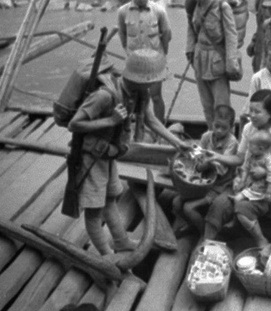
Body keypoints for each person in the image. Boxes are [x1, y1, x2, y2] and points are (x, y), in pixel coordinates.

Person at [67, 49, 188, 256]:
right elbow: (74, 124)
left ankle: (121, 241)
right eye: (153, 80)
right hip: (91, 158)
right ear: (143, 80)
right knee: (95, 211)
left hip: (109, 154)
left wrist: (178, 143)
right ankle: (107, 255)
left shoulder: (140, 93)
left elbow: (151, 120)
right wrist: (110, 121)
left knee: (111, 198)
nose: (154, 84)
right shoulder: (104, 96)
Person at [204, 90, 271, 241]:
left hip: (267, 190)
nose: (251, 114)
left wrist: (265, 172)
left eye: (257, 111)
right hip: (244, 183)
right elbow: (240, 158)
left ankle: (246, 239)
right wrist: (218, 156)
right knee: (218, 206)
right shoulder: (248, 128)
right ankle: (206, 244)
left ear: (270, 113)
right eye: (250, 110)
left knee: (241, 208)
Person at [184, 0, 240, 125]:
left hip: (217, 61)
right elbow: (191, 28)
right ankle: (211, 135)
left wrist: (231, 63)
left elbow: (231, 37)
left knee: (221, 106)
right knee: (207, 105)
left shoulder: (222, 6)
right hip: (200, 60)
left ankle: (226, 140)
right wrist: (189, 51)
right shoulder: (194, 5)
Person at [172, 105, 238, 237]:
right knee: (176, 204)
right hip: (202, 182)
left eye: (224, 128)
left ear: (231, 128)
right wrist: (194, 157)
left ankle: (203, 234)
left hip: (219, 186)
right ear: (212, 122)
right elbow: (197, 158)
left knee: (189, 208)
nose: (218, 130)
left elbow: (222, 169)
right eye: (216, 126)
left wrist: (206, 162)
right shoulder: (206, 136)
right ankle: (193, 225)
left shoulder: (232, 142)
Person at [118, 0, 172, 125]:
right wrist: (128, 53)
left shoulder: (158, 11)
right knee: (131, 96)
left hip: (155, 61)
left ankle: (159, 129)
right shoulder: (123, 12)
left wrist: (162, 55)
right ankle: (130, 128)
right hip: (134, 63)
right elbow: (122, 34)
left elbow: (167, 34)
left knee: (156, 96)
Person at [229, 129, 271, 246]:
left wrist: (268, 193)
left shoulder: (268, 160)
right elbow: (245, 168)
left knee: (237, 199)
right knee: (237, 196)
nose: (248, 146)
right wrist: (242, 181)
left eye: (251, 145)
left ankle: (235, 221)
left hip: (260, 190)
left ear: (261, 148)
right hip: (250, 186)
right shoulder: (251, 155)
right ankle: (235, 218)